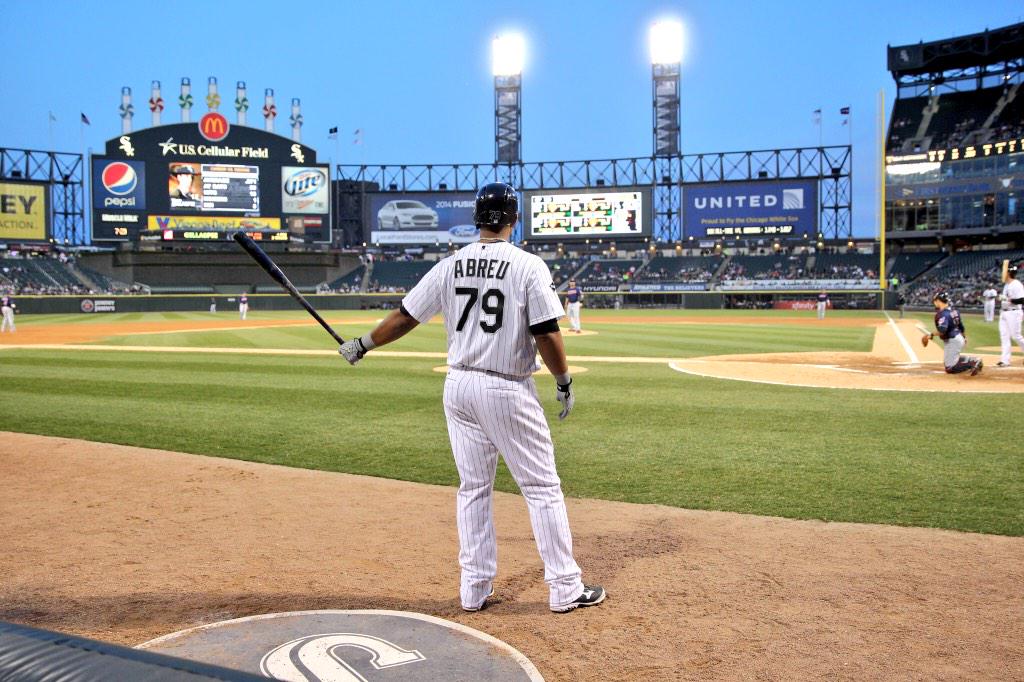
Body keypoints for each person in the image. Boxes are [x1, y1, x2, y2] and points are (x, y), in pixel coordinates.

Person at [338, 182, 605, 614]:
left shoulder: (451, 264)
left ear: (479, 219)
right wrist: (563, 380)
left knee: (474, 489)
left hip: (458, 385)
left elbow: (406, 317)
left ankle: (474, 589)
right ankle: (565, 587)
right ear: (514, 218)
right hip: (505, 386)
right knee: (541, 487)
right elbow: (546, 332)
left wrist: (363, 343)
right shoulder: (527, 265)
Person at [922, 291, 982, 375]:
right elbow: (961, 326)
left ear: (939, 301)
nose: (934, 302)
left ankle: (974, 361)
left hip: (953, 340)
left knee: (950, 368)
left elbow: (943, 330)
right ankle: (971, 360)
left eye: (935, 300)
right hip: (956, 338)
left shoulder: (942, 314)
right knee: (948, 363)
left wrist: (930, 335)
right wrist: (964, 337)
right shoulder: (954, 311)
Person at [997, 263, 1024, 367]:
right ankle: (1005, 360)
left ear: (1008, 272)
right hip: (1004, 312)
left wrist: (1008, 299)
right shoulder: (1007, 284)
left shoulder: (1017, 284)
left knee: (1016, 336)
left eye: (1004, 271)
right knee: (1004, 337)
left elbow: (1022, 300)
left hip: (1014, 312)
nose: (1002, 273)